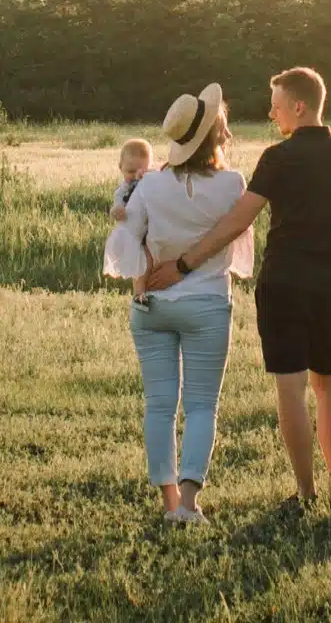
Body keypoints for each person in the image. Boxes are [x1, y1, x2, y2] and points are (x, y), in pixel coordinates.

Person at [146, 67, 331, 505]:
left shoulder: (277, 158)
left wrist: (184, 263)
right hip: (330, 289)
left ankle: (306, 493)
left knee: (290, 388)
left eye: (276, 106)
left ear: (299, 105)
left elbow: (238, 221)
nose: (272, 114)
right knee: (328, 384)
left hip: (282, 288)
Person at [107, 83, 253, 524]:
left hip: (152, 304)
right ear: (215, 136)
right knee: (202, 404)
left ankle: (168, 504)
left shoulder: (149, 186)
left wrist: (145, 272)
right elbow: (237, 239)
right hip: (207, 302)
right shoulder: (233, 184)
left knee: (159, 404)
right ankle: (189, 506)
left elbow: (126, 240)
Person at [103, 137, 154, 299]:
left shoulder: (151, 180)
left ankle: (154, 290)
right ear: (121, 167)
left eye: (142, 170)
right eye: (131, 171)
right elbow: (116, 207)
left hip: (152, 229)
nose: (136, 176)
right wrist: (117, 211)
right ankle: (139, 294)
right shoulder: (122, 190)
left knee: (154, 262)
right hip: (134, 232)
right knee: (139, 264)